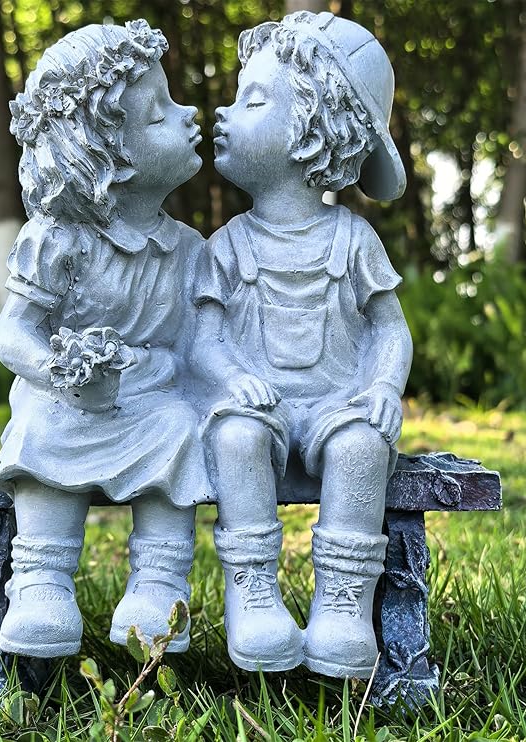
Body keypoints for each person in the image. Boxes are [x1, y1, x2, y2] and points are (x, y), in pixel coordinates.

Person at [192, 11, 412, 677]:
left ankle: (343, 604)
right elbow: (203, 341)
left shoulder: (352, 239)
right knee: (236, 437)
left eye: (253, 101)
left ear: (313, 130)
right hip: (257, 408)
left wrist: (382, 387)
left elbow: (389, 328)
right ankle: (252, 592)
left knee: (360, 447)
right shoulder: (227, 245)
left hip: (334, 403)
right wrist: (231, 379)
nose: (224, 114)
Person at [0, 19, 211, 659]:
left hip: (151, 395)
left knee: (178, 431)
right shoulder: (57, 240)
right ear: (112, 157)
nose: (188, 115)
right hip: (67, 395)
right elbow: (14, 332)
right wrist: (57, 371)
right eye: (160, 113)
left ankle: (159, 585)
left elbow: (201, 344)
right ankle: (41, 580)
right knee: (42, 433)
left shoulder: (187, 249)